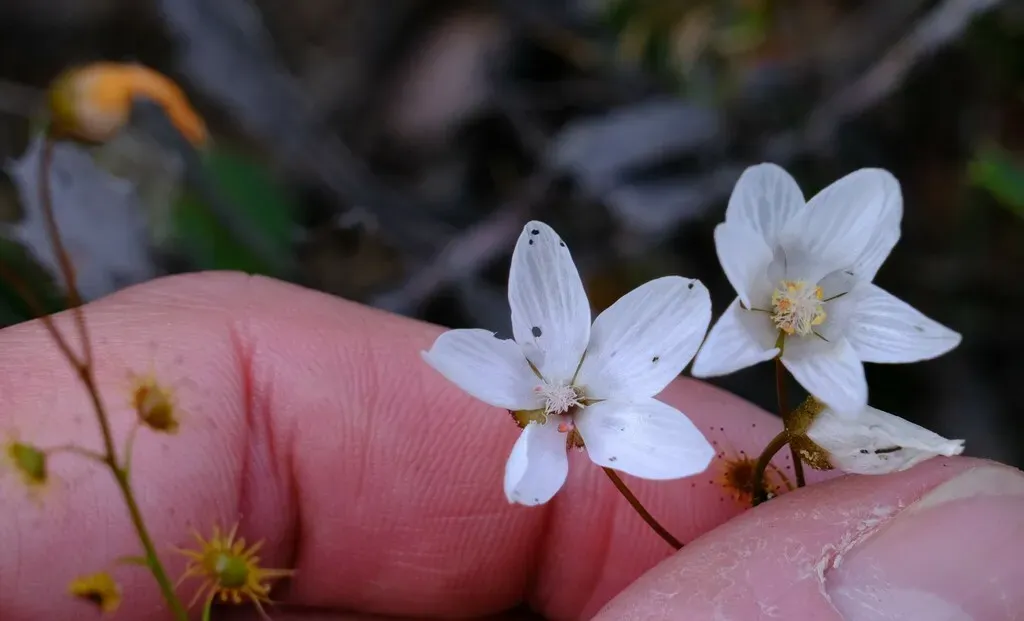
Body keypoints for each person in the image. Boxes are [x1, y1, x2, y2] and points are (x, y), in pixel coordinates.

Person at [1, 272, 1020, 620]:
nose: (567, 404)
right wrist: (555, 412)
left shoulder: (611, 422)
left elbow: (616, 397)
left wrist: (572, 408)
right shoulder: (538, 425)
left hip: (606, 416)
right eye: (557, 405)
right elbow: (531, 425)